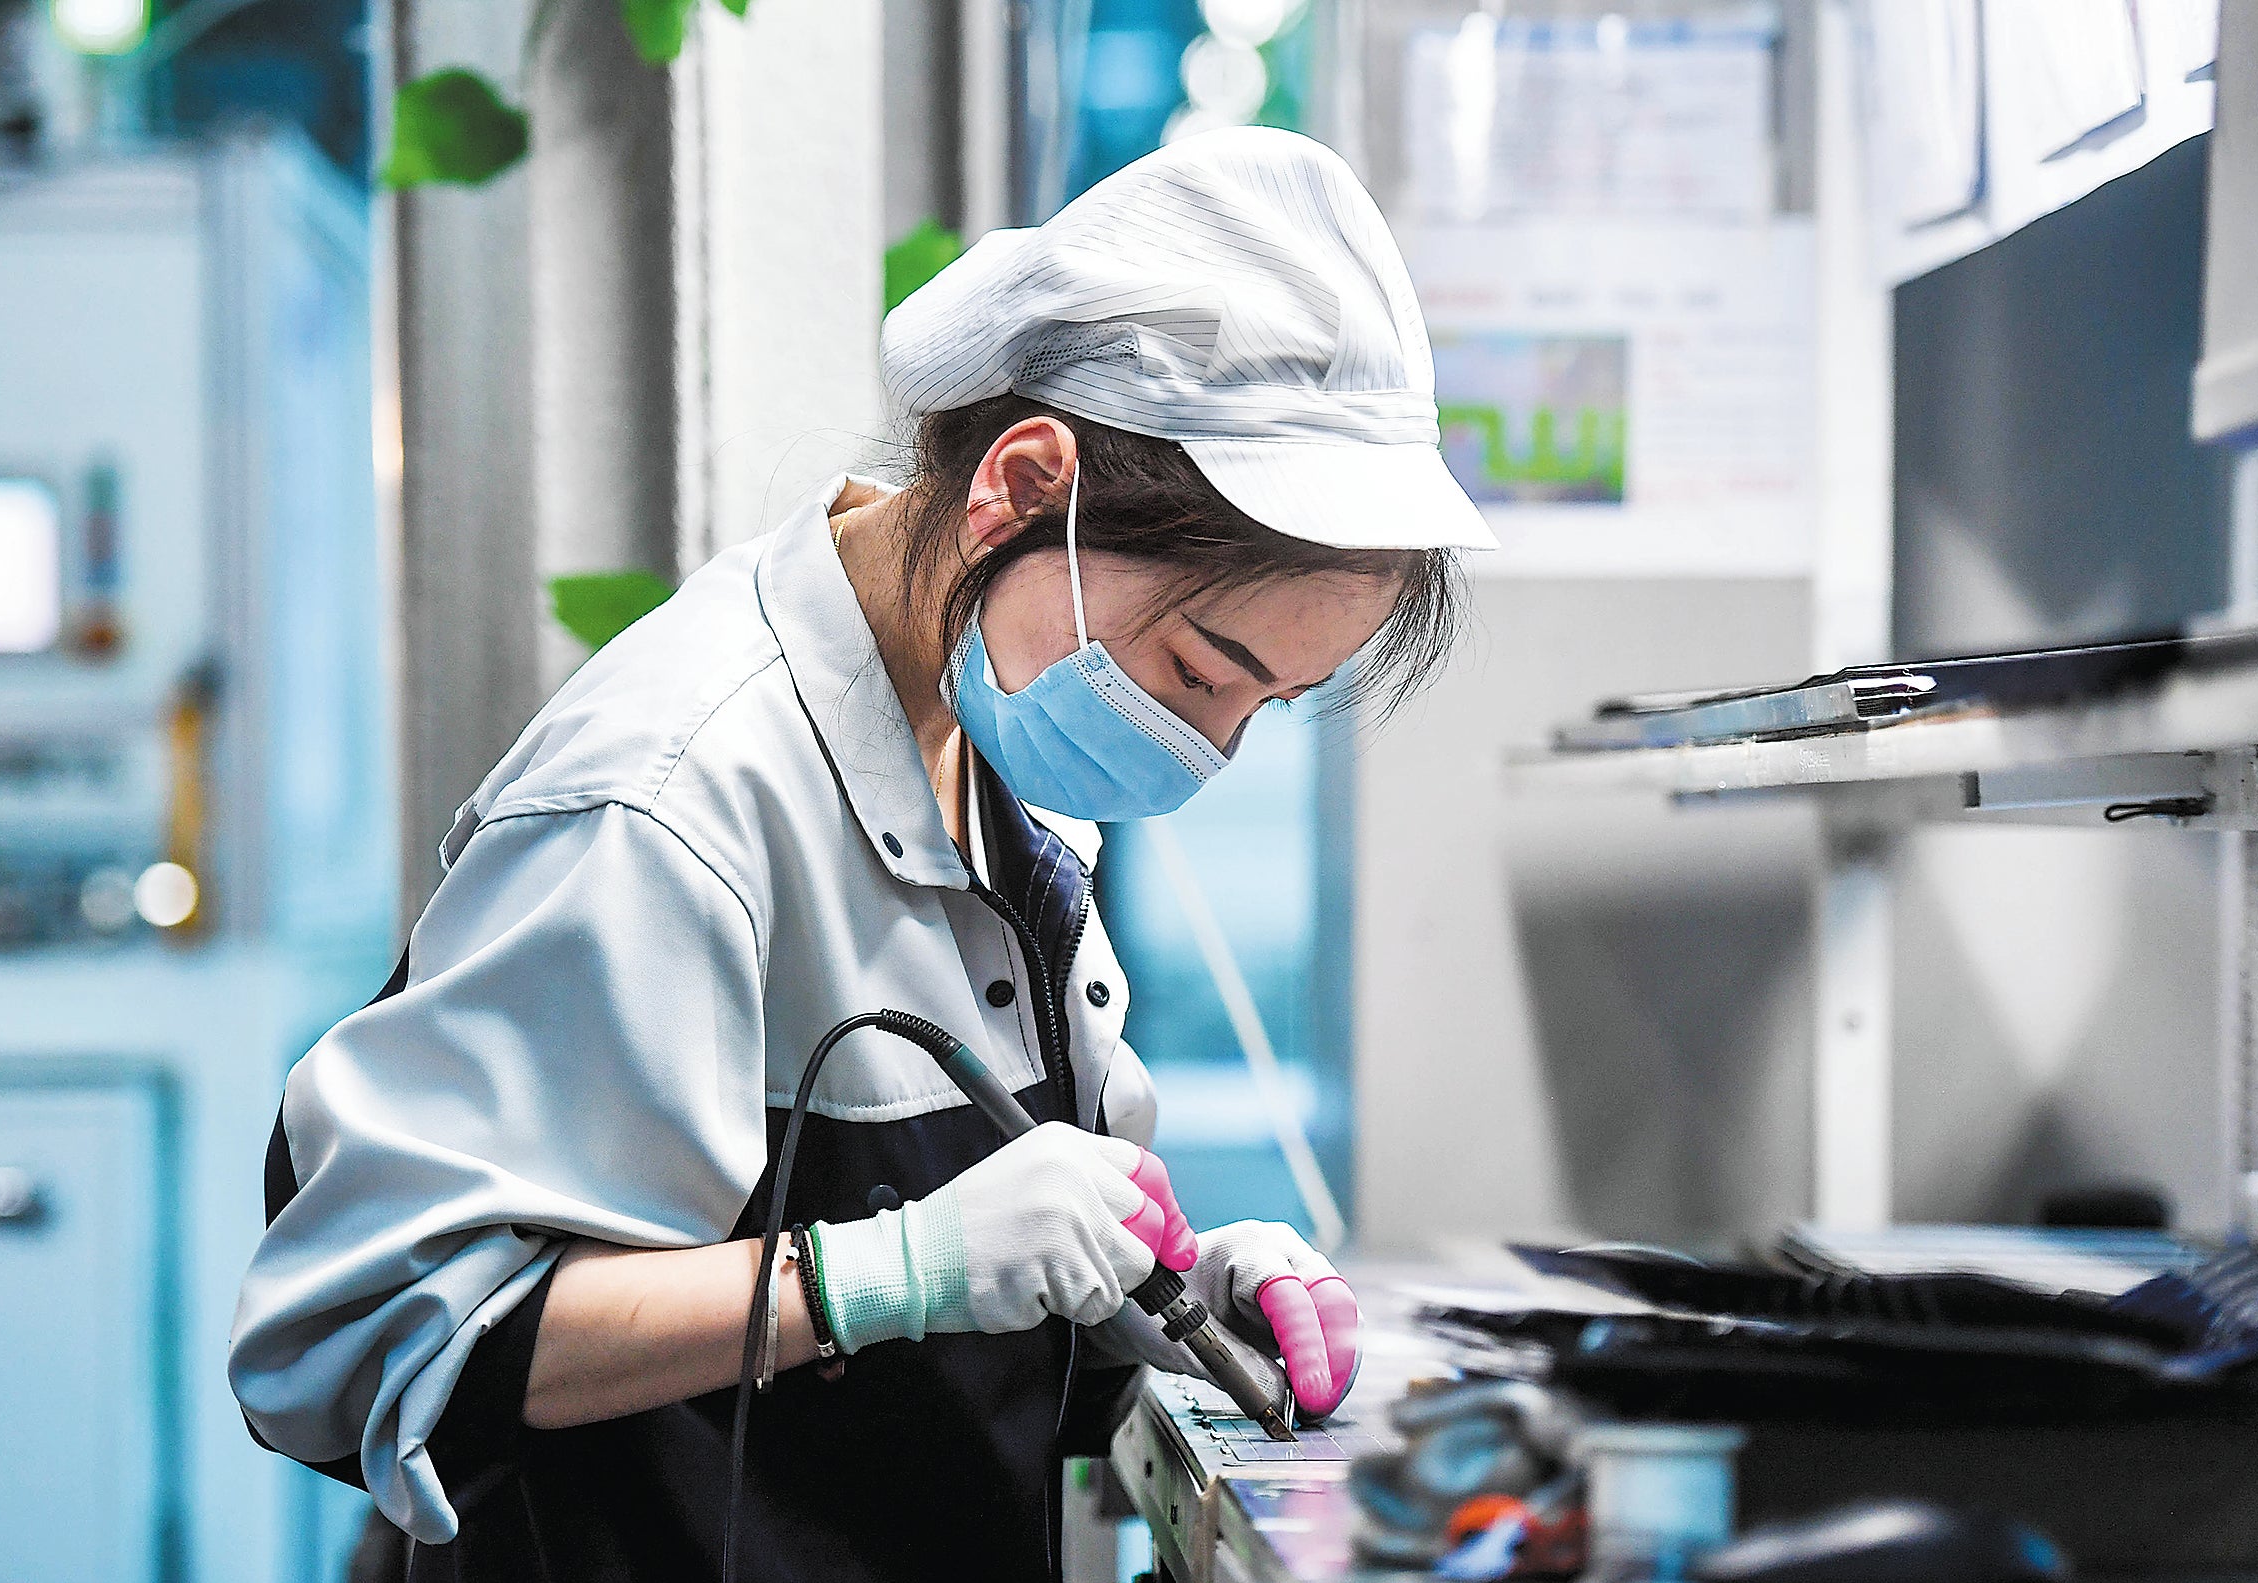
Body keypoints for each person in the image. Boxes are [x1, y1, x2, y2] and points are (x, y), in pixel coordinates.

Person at [229, 125, 1493, 1582]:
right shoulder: (671, 798)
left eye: (1265, 703)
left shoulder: (991, 753)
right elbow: (357, 1349)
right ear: (1021, 488)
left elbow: (985, 1266)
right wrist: (875, 1276)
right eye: (1201, 668)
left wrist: (1170, 1297)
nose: (1210, 746)